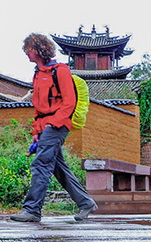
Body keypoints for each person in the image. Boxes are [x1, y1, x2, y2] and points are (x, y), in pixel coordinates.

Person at [9, 33, 97, 222]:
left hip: (58, 124)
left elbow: (69, 102)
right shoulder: (37, 74)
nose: (26, 53)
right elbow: (39, 108)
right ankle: (86, 203)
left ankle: (32, 210)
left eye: (28, 49)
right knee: (57, 167)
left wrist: (52, 125)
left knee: (41, 164)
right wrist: (36, 131)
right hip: (45, 126)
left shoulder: (60, 71)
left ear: (39, 49)